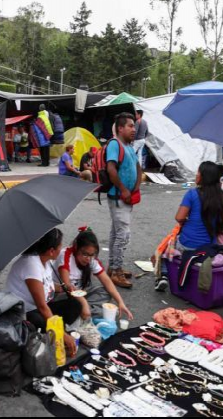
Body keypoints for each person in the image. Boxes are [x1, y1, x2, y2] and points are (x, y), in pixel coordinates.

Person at [155, 161, 223, 292]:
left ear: (204, 177)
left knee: (167, 245)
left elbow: (179, 217)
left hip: (187, 244)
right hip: (208, 246)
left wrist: (188, 221)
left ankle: (164, 275)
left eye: (198, 173)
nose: (196, 175)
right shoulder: (222, 197)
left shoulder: (192, 194)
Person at [5, 228, 80, 357]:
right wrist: (62, 334)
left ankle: (53, 333)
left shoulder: (46, 260)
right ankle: (49, 337)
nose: (61, 248)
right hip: (24, 314)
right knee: (39, 320)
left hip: (41, 307)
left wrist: (66, 288)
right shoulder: (31, 266)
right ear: (51, 251)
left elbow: (47, 286)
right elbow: (42, 306)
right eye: (59, 246)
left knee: (75, 305)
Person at [54, 228, 134, 321]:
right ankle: (84, 313)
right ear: (76, 248)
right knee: (75, 305)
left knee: (106, 292)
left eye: (92, 255)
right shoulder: (65, 255)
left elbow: (107, 281)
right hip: (63, 295)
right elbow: (67, 286)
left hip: (79, 294)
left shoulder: (92, 260)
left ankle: (83, 313)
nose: (88, 258)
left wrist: (120, 302)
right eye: (85, 254)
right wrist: (83, 302)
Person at [106, 113, 142, 289]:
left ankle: (112, 268)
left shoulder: (129, 146)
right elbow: (110, 168)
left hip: (127, 197)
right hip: (118, 196)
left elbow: (138, 167)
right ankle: (116, 271)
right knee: (123, 234)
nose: (134, 129)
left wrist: (135, 188)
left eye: (134, 126)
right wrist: (123, 189)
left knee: (116, 233)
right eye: (130, 126)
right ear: (120, 128)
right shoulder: (115, 144)